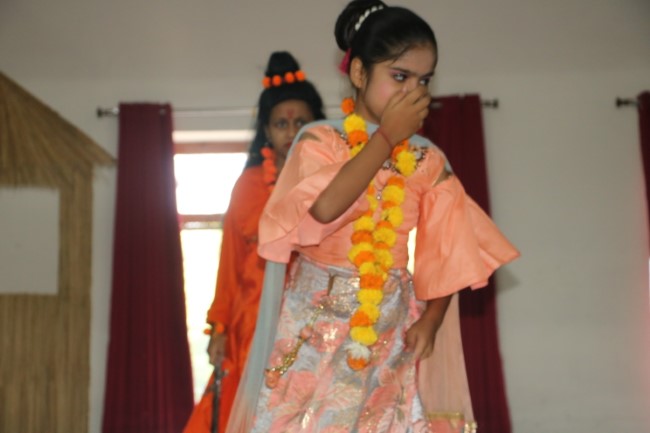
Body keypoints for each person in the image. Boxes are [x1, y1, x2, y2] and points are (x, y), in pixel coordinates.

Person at [226, 2, 520, 432]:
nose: (413, 92)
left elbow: (451, 253)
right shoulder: (321, 140)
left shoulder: (428, 160)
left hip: (390, 329)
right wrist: (385, 138)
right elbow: (325, 207)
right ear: (360, 73)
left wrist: (432, 320)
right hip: (315, 325)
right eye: (399, 77)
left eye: (424, 80)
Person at [182, 51, 326, 433]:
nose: (291, 131)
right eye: (281, 123)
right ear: (267, 130)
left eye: (300, 122)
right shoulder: (247, 185)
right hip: (251, 324)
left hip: (312, 323)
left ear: (316, 126)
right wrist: (220, 328)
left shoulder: (331, 183)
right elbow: (229, 261)